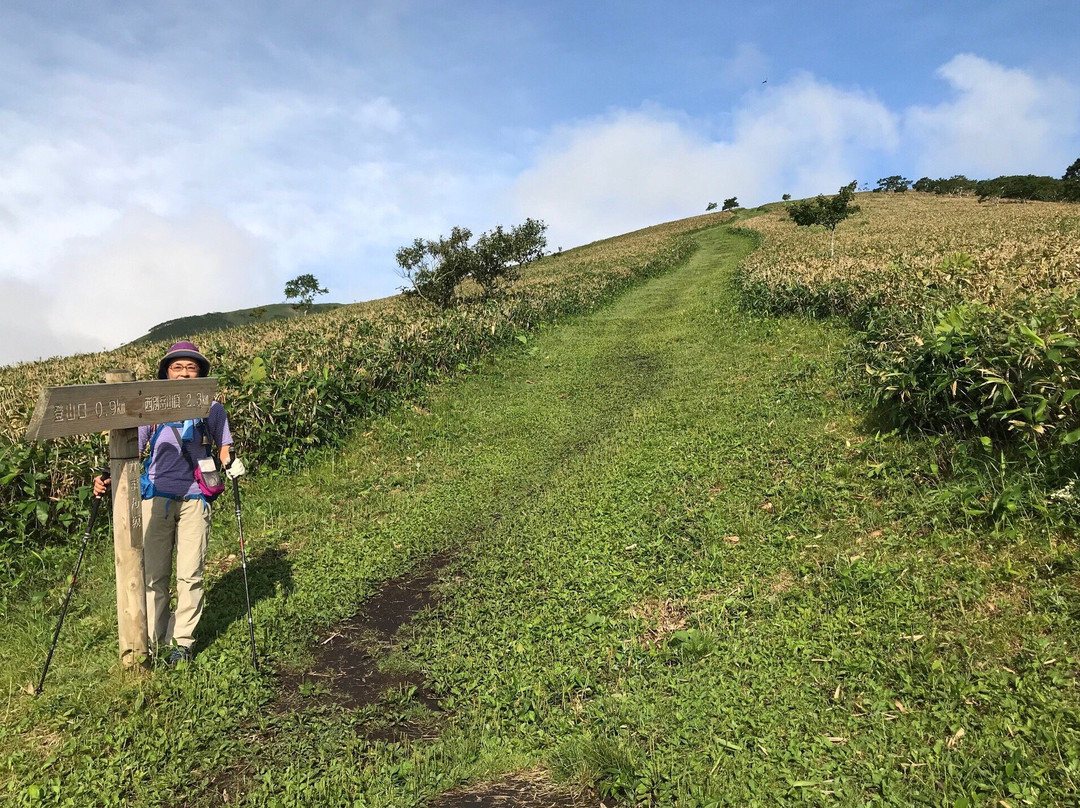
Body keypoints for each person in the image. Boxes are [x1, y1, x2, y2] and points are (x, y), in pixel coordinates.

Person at [94, 341, 244, 665]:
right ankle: (154, 640)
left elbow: (223, 447)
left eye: (191, 368)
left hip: (195, 498)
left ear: (200, 373)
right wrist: (108, 475)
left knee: (190, 574)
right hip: (157, 497)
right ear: (166, 373)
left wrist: (230, 462)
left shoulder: (213, 409)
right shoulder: (152, 408)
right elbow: (132, 446)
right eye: (178, 367)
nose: (184, 373)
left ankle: (183, 643)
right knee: (154, 575)